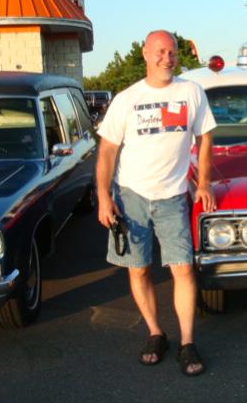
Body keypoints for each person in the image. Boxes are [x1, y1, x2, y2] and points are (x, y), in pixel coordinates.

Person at [96, 30, 216, 376]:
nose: (168, 57)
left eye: (173, 52)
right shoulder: (127, 99)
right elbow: (107, 151)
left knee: (182, 269)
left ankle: (187, 342)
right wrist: (104, 196)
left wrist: (204, 182)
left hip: (173, 196)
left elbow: (205, 138)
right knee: (139, 269)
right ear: (146, 54)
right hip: (131, 196)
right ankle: (155, 332)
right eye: (160, 51)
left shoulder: (191, 92)